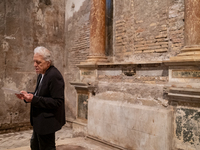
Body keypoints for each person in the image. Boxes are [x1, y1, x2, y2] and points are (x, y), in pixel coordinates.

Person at [16, 46, 66, 150]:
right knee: (35, 146)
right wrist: (27, 95)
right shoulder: (42, 74)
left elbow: (57, 101)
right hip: (39, 120)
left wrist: (33, 99)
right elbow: (40, 94)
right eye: (34, 61)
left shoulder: (54, 75)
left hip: (47, 122)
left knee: (46, 147)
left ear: (48, 62)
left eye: (38, 62)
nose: (35, 65)